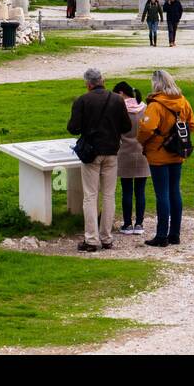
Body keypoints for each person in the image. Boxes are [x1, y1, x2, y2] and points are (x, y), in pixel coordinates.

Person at [66, 68, 132, 251]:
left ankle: (92, 239)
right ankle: (106, 237)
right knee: (109, 195)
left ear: (88, 84)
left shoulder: (82, 100)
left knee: (90, 196)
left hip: (91, 153)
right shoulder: (117, 100)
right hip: (111, 151)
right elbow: (126, 126)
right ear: (103, 80)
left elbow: (73, 128)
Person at [138, 70, 194, 247]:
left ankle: (161, 235)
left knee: (162, 194)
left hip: (158, 154)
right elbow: (191, 125)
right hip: (177, 152)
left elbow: (147, 129)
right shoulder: (183, 101)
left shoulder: (155, 104)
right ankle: (175, 234)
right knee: (175, 191)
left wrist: (144, 141)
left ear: (156, 84)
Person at [111, 82, 149, 234]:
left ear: (121, 93)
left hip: (124, 152)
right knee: (140, 191)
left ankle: (127, 224)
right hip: (142, 152)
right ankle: (139, 224)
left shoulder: (119, 110)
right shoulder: (145, 108)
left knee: (126, 190)